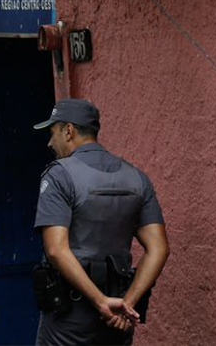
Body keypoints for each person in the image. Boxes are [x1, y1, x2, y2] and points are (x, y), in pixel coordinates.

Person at [33, 99, 168, 346]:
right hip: (118, 318)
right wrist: (128, 302)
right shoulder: (136, 177)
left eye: (53, 133)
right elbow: (158, 248)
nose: (50, 143)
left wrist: (100, 301)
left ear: (69, 131)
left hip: (69, 319)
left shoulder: (59, 175)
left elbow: (55, 250)